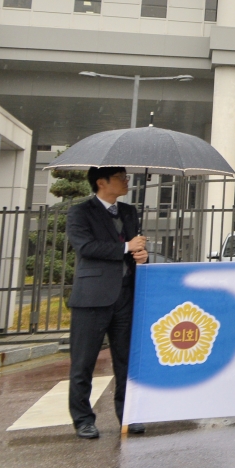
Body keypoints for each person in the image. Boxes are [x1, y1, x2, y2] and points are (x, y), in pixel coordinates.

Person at [66, 166, 147, 439]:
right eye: (121, 178)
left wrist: (140, 255)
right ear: (102, 182)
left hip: (125, 296)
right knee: (83, 362)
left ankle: (128, 415)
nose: (126, 181)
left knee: (126, 360)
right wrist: (126, 247)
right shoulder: (80, 212)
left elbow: (134, 248)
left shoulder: (129, 212)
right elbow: (86, 247)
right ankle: (83, 419)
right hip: (92, 298)